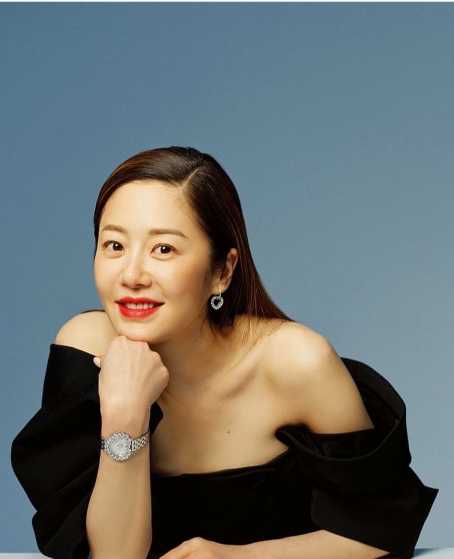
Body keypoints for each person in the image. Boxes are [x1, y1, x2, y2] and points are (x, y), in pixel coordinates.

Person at [11, 146, 439, 559]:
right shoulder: (88, 346)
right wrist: (125, 418)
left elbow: (381, 528)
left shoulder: (295, 361)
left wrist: (240, 557)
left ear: (223, 270)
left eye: (164, 249)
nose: (132, 275)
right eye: (114, 246)